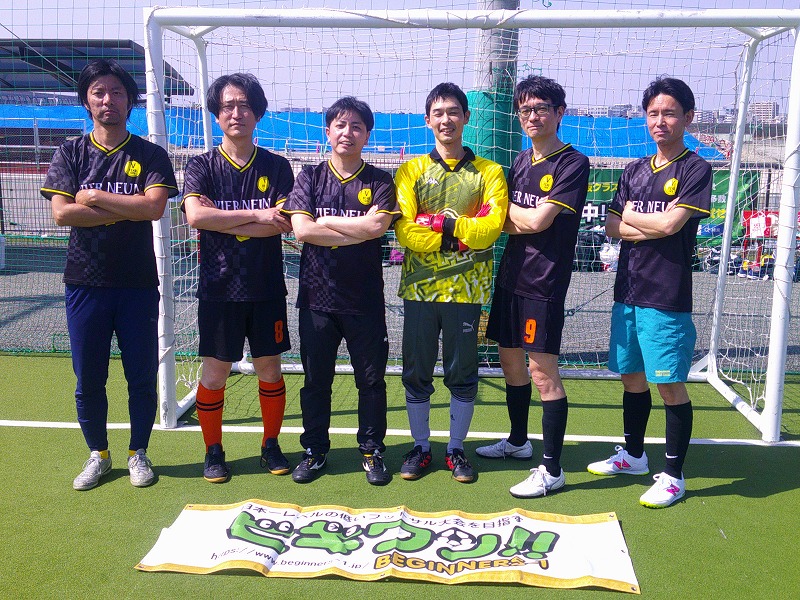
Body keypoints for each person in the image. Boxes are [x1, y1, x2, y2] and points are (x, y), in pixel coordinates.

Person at [41, 59, 179, 490]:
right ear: (86, 100)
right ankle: (98, 454)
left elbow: (153, 208)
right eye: (99, 92)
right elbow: (63, 214)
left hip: (138, 284)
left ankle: (139, 452)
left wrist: (96, 197)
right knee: (89, 377)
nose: (108, 100)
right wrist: (125, 208)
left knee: (141, 376)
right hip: (85, 282)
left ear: (130, 100)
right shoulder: (70, 152)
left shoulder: (150, 154)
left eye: (117, 92)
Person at [586, 77, 711, 508]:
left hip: (666, 294)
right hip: (628, 290)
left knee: (669, 384)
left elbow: (672, 225)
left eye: (669, 113)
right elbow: (611, 226)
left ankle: (674, 476)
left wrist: (635, 219)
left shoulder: (695, 168)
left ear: (687, 118)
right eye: (653, 113)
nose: (660, 121)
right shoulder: (634, 169)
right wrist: (648, 224)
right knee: (631, 377)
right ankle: (634, 455)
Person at [477, 76, 590, 498]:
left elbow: (539, 221)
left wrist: (514, 218)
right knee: (509, 362)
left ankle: (552, 469)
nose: (532, 116)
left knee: (542, 374)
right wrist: (517, 218)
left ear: (560, 112)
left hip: (543, 284)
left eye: (541, 108)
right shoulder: (522, 160)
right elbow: (501, 219)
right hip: (510, 278)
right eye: (525, 110)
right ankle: (518, 442)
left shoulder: (573, 163)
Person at [281, 97, 399, 485]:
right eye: (341, 125)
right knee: (317, 381)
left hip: (364, 301)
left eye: (357, 127)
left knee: (371, 382)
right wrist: (357, 229)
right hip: (317, 299)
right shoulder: (309, 177)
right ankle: (314, 451)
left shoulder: (380, 180)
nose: (348, 132)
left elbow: (377, 228)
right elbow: (302, 230)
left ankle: (372, 451)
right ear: (328, 131)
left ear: (367, 135)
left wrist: (328, 220)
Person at [183, 73, 294, 483]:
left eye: (244, 105)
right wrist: (256, 216)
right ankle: (213, 450)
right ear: (216, 114)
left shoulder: (277, 166)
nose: (236, 113)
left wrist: (222, 219)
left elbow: (283, 223)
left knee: (270, 370)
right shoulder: (201, 165)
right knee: (214, 373)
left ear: (257, 112)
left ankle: (271, 444)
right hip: (218, 288)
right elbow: (196, 216)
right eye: (227, 106)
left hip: (266, 287)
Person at [394, 82, 508, 484]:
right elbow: (406, 231)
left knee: (462, 372)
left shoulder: (490, 172)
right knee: (416, 371)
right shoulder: (410, 171)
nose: (446, 120)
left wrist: (438, 225)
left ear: (466, 117)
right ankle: (421, 447)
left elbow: (490, 229)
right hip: (420, 289)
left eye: (453, 112)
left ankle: (456, 449)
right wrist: (461, 233)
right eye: (438, 113)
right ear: (428, 120)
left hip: (467, 290)